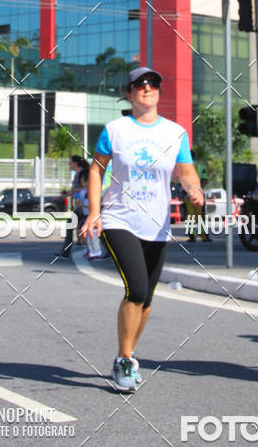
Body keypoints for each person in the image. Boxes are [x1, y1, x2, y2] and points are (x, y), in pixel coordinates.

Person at [80, 66, 204, 392]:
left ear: (159, 92)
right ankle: (123, 359)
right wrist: (94, 212)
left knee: (146, 300)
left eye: (152, 84)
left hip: (158, 225)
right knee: (135, 289)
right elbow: (96, 171)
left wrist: (194, 189)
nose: (146, 88)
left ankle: (129, 354)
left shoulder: (176, 133)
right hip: (120, 219)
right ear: (129, 93)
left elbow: (187, 171)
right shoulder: (115, 130)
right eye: (139, 85)